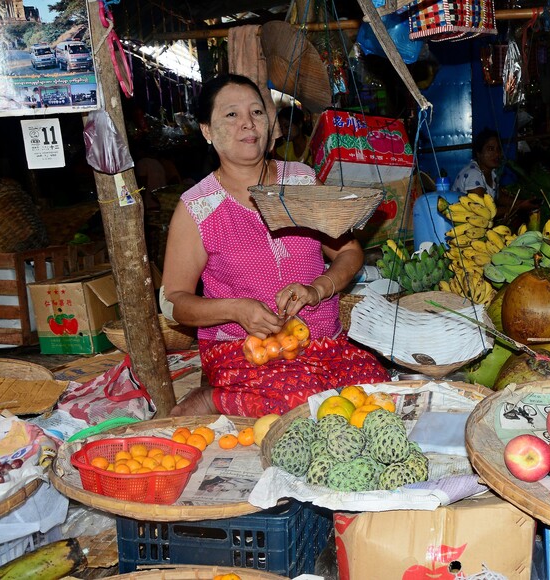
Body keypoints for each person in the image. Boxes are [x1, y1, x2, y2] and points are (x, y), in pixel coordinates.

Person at [162, 74, 389, 418]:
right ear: (207, 131)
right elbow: (174, 301)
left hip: (322, 343)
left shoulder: (300, 181)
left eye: (256, 112)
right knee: (304, 404)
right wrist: (236, 309)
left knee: (375, 391)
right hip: (244, 348)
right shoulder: (198, 207)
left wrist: (318, 289)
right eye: (232, 115)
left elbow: (349, 252)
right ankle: (212, 398)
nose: (248, 124)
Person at [452, 128, 504, 199]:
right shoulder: (473, 173)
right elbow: (482, 207)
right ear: (479, 153)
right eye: (490, 149)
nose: (497, 154)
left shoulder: (493, 173)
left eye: (498, 149)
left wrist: (521, 204)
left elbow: (500, 198)